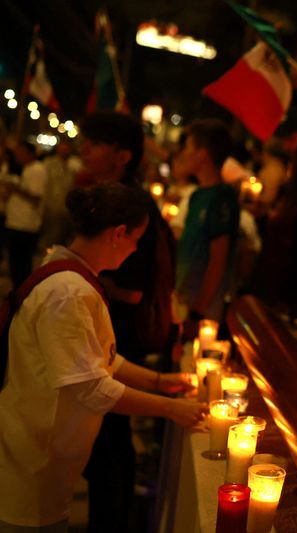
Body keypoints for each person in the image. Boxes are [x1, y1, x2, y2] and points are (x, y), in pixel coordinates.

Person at [0, 182, 204, 532]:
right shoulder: (68, 292)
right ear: (119, 233)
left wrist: (158, 381)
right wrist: (171, 409)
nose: (135, 249)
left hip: (44, 449)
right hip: (34, 456)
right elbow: (90, 388)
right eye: (136, 240)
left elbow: (98, 359)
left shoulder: (73, 275)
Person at [78, 110, 176, 533]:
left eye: (95, 143)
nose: (84, 150)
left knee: (109, 440)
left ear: (122, 156)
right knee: (108, 439)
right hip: (108, 328)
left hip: (121, 330)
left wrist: (86, 277)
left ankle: (110, 521)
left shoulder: (129, 205)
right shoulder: (109, 194)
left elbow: (134, 288)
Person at [175, 119, 240, 334]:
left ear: (203, 154)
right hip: (184, 299)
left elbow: (218, 260)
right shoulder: (196, 195)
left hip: (204, 310)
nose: (183, 153)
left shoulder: (222, 198)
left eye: (188, 147)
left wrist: (198, 310)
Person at [4, 140, 48, 289]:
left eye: (20, 152)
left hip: (26, 224)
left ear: (29, 153)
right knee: (16, 264)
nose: (17, 155)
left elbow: (36, 197)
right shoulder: (26, 169)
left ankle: (21, 293)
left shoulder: (37, 170)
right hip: (16, 222)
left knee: (21, 264)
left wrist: (15, 189)